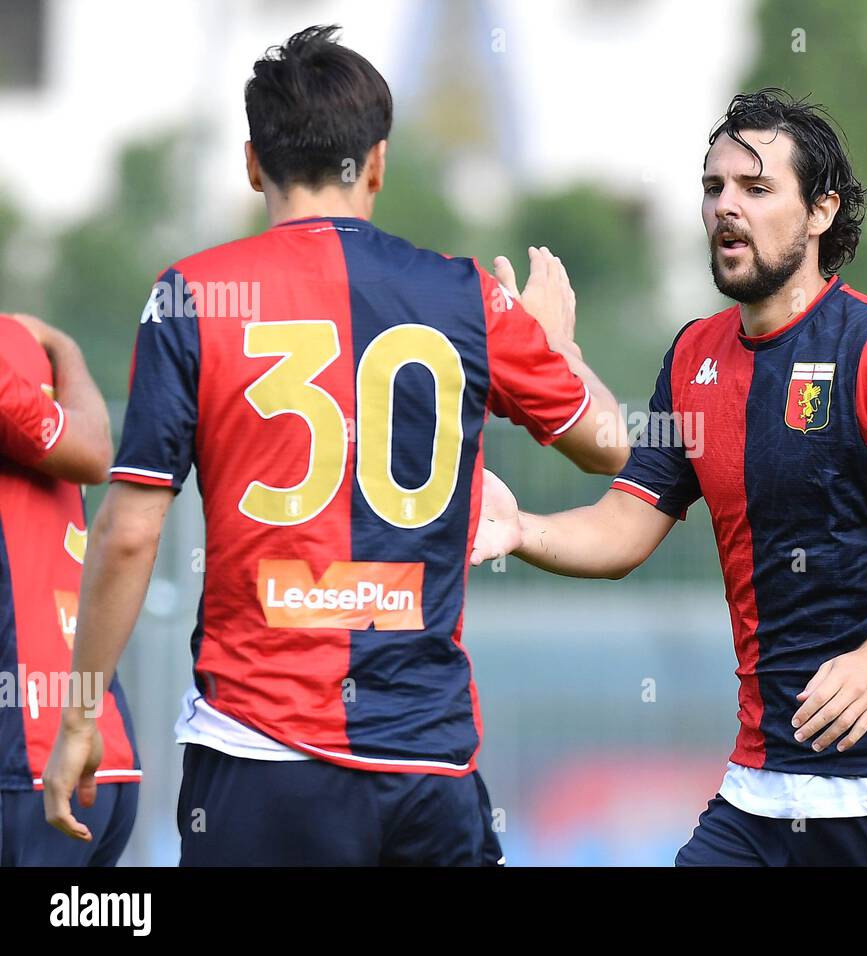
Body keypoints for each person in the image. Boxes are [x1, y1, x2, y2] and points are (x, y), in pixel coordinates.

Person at [42, 24, 626, 866]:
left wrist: (81, 711)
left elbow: (130, 532)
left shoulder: (193, 297)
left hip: (259, 760)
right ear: (377, 163)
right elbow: (610, 448)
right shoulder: (467, 297)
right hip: (427, 766)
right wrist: (559, 352)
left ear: (252, 163)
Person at [474, 89, 867, 866]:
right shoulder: (693, 357)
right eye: (714, 187)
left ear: (821, 212)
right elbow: (626, 524)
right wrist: (521, 530)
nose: (727, 207)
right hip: (762, 786)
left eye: (757, 189)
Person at [0, 312, 139, 865]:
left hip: (31, 765)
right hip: (92, 751)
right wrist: (63, 343)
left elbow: (94, 453)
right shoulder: (21, 338)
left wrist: (62, 342)